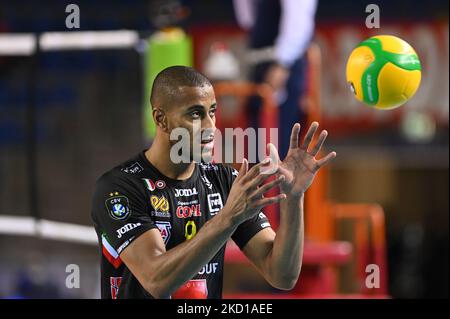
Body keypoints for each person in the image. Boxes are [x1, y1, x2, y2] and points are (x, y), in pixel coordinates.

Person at [91, 65, 335, 299]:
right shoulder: (118, 188)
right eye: (195, 113)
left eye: (212, 112)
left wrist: (294, 198)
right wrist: (228, 218)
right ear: (161, 119)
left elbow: (282, 275)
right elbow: (156, 280)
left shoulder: (225, 181)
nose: (210, 126)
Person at [234, 0, 318, 159]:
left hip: (283, 67)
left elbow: (299, 20)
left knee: (279, 146)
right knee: (255, 148)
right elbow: (246, 18)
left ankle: (279, 184)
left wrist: (282, 63)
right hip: (258, 64)